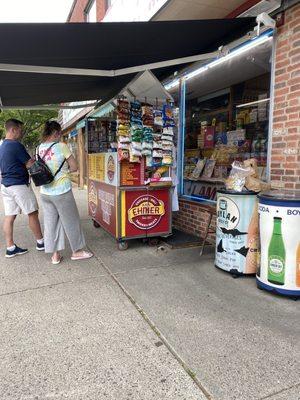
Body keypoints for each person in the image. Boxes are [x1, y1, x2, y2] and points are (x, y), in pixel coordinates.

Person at [39, 120, 93, 265]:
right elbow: (74, 167)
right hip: (61, 191)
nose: (60, 136)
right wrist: (64, 171)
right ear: (56, 133)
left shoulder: (39, 148)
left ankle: (55, 255)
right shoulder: (62, 146)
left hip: (45, 192)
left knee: (51, 223)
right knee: (71, 221)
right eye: (60, 133)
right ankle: (77, 252)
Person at [0, 119, 44, 257]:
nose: (21, 132)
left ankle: (10, 247)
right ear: (13, 130)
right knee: (32, 213)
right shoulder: (16, 145)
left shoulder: (2, 146)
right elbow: (30, 163)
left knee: (9, 216)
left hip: (5, 185)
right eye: (20, 129)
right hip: (18, 185)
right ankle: (41, 242)